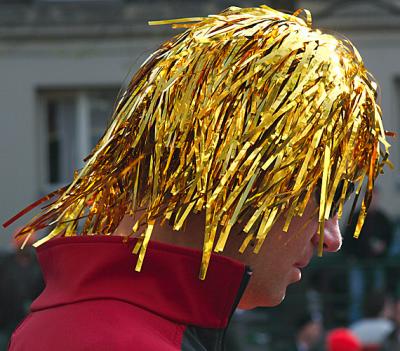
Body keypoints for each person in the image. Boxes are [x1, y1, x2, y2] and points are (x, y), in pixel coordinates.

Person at [3, 5, 391, 351]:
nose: (332, 237)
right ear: (241, 172)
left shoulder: (109, 320)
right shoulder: (119, 339)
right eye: (325, 195)